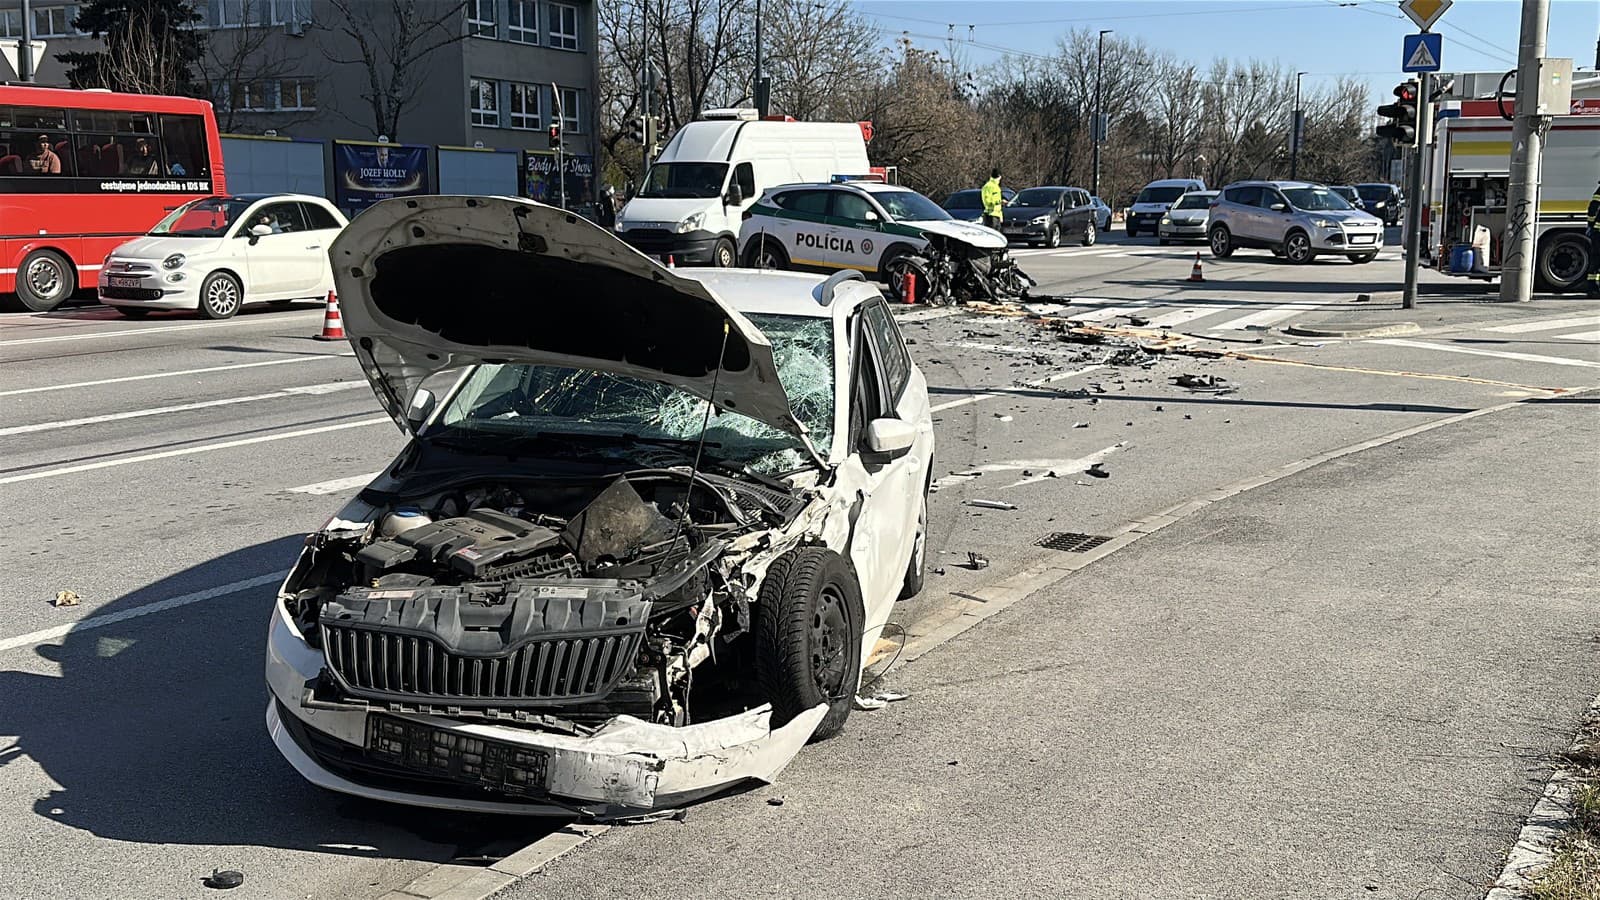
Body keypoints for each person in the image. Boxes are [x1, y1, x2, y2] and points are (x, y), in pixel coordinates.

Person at [1587, 178, 1599, 298]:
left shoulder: (1599, 193)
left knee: (1595, 261)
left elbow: (1592, 209)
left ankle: (1592, 288)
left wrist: (1590, 225)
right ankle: (1593, 288)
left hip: (1597, 233)